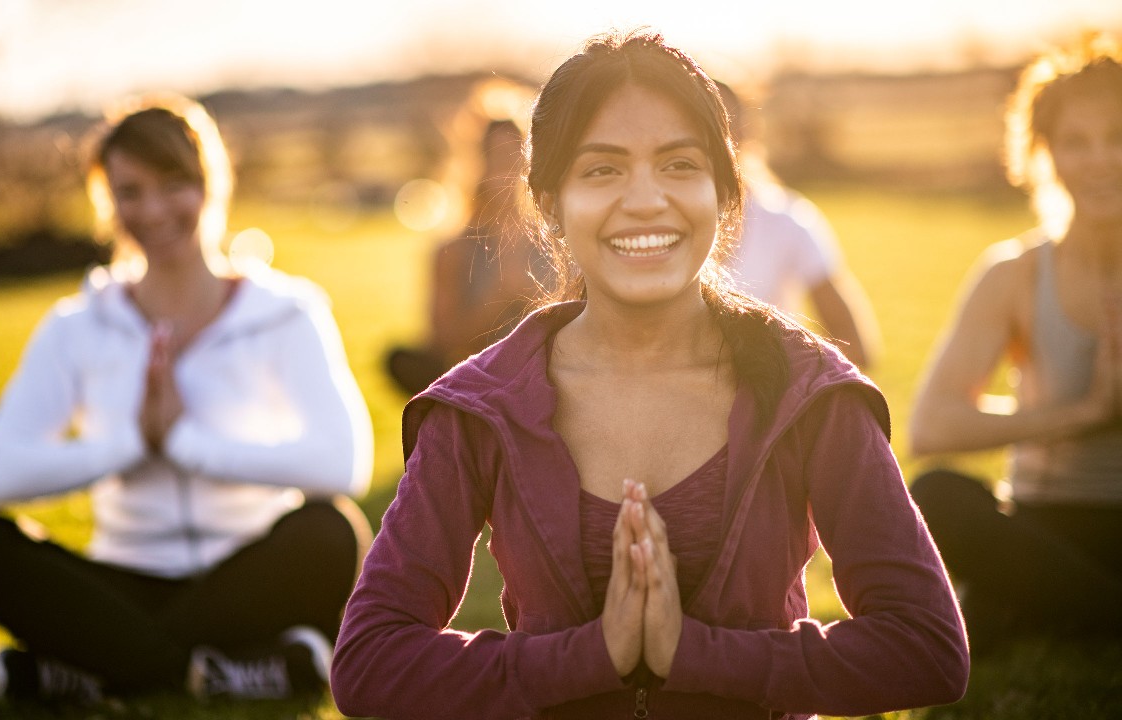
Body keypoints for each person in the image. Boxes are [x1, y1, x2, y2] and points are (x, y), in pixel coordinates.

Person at [332, 31, 967, 720]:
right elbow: (370, 664)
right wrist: (592, 656)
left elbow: (925, 648)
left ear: (726, 193)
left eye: (679, 164)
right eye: (602, 170)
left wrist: (691, 653)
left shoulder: (807, 390)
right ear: (548, 203)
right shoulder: (480, 406)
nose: (645, 201)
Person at [0, 94, 374, 705]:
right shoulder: (78, 324)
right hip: (122, 579)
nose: (153, 209)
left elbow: (342, 461)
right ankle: (233, 668)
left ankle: (92, 669)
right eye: (130, 191)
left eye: (174, 185)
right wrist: (132, 443)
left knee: (330, 531)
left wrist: (188, 444)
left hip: (247, 571)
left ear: (211, 184)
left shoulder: (286, 312)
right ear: (107, 201)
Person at [908, 32, 1122, 654]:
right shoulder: (1014, 274)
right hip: (1044, 523)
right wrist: (1084, 415)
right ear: (1044, 154)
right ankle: (1091, 607)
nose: (1101, 159)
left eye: (1118, 136)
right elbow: (932, 426)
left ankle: (1060, 608)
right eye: (1076, 142)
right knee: (937, 495)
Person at [716, 80, 881, 370]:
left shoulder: (787, 220)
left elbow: (854, 342)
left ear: (747, 132)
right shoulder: (648, 223)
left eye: (724, 127)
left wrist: (787, 394)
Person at [385, 118, 549, 395]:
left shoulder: (554, 244)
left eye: (515, 159)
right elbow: (442, 345)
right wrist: (500, 294)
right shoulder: (453, 250)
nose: (507, 173)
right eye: (496, 159)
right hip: (481, 391)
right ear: (475, 167)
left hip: (545, 386)